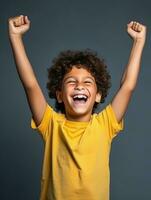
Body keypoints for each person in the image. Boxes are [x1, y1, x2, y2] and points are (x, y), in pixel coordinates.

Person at [8, 15, 146, 200]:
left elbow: (128, 86)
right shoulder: (51, 124)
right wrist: (15, 37)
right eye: (71, 82)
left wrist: (138, 41)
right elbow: (30, 84)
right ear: (59, 95)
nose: (79, 86)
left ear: (98, 95)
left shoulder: (105, 124)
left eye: (88, 82)